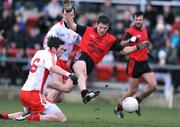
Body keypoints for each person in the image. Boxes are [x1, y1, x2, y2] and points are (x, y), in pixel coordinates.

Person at [64, 6, 150, 103]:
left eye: (105, 28)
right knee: (82, 71)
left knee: (65, 89)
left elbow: (124, 50)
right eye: (100, 27)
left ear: (108, 27)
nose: (102, 30)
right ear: (97, 25)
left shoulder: (110, 40)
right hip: (80, 56)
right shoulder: (87, 30)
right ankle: (85, 93)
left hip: (90, 65)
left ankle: (48, 88)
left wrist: (137, 47)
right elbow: (71, 24)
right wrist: (68, 10)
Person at [0, 36, 78, 122]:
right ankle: (30, 118)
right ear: (53, 49)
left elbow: (43, 75)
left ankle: (5, 116)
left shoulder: (39, 52)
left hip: (24, 92)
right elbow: (52, 67)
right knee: (62, 118)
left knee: (26, 113)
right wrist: (69, 74)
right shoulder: (51, 55)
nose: (64, 51)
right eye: (62, 49)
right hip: (34, 94)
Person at [114, 11, 157, 118]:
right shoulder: (130, 31)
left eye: (140, 19)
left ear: (143, 20)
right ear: (133, 20)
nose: (138, 21)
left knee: (153, 86)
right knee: (133, 90)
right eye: (136, 19)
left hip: (144, 61)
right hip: (134, 62)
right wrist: (130, 40)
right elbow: (121, 44)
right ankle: (118, 108)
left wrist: (148, 50)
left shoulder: (145, 30)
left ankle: (137, 101)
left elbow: (145, 44)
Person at [43, 7, 80, 103]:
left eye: (70, 14)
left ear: (73, 16)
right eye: (65, 14)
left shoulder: (76, 30)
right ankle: (40, 110)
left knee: (59, 97)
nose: (67, 16)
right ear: (62, 14)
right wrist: (51, 56)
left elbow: (84, 43)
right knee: (59, 87)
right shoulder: (56, 28)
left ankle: (42, 94)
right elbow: (46, 42)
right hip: (55, 60)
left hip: (64, 62)